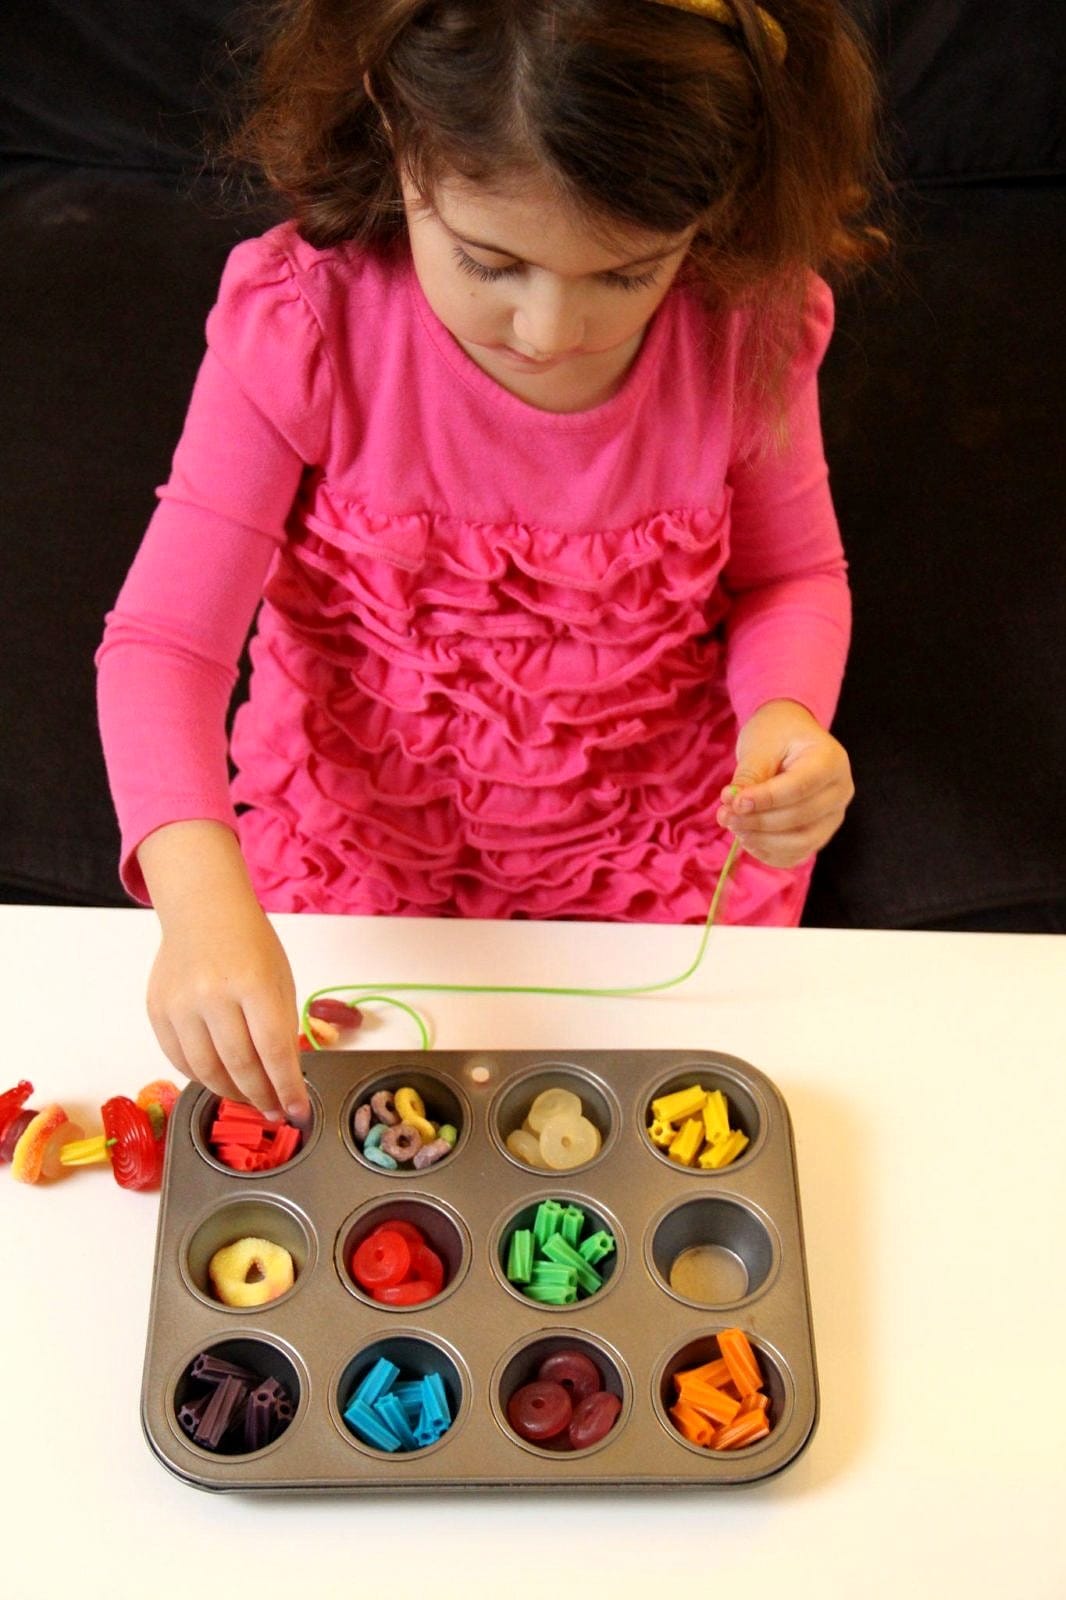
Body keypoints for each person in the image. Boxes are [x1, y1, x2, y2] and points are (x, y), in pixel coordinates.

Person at [96, 0, 884, 1123]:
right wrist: (201, 905)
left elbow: (791, 577)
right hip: (357, 855)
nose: (549, 327)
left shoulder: (739, 326)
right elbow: (163, 645)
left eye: (624, 274)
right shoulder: (307, 323)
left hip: (653, 853)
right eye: (489, 260)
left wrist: (787, 720)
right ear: (396, 121)